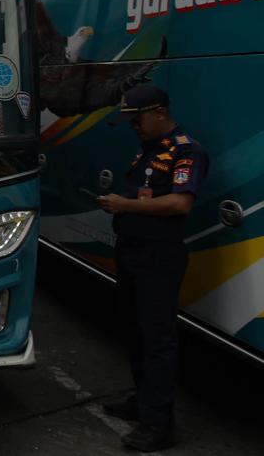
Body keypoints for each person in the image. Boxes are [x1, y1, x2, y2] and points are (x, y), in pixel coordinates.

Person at [96, 84, 209, 452]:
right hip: (131, 253)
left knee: (158, 341)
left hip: (158, 258)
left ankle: (158, 424)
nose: (134, 127)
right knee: (135, 332)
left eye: (138, 120)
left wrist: (125, 207)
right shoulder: (149, 150)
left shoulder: (186, 151)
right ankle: (141, 400)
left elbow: (179, 204)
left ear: (159, 112)